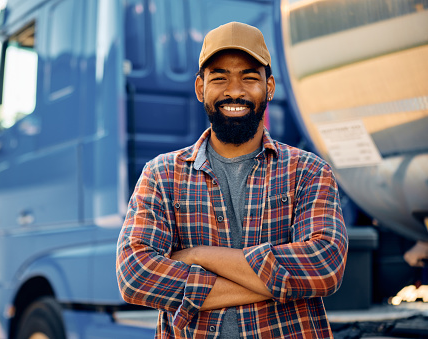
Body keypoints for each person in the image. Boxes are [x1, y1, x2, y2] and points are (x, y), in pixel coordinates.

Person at [116, 22, 348, 338]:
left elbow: (324, 267)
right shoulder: (162, 174)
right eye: (220, 77)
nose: (235, 91)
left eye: (249, 77)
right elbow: (135, 275)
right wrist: (281, 283)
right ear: (201, 88)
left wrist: (199, 255)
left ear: (270, 87)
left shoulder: (308, 171)